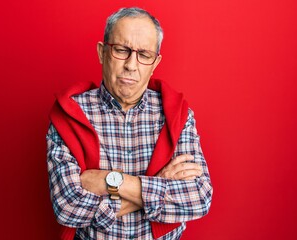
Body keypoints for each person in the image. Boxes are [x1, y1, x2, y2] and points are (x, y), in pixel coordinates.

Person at [47, 7, 213, 240]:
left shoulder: (176, 114)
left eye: (144, 55)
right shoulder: (70, 114)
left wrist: (110, 181)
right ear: (102, 52)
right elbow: (67, 207)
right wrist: (160, 185)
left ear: (155, 63)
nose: (131, 65)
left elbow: (199, 197)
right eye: (121, 50)